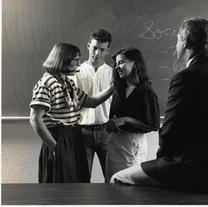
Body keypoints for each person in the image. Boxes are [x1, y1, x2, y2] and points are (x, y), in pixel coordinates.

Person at [110, 17, 208, 193]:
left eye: (177, 39)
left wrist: (160, 164)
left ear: (185, 41)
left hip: (198, 169)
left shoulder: (186, 77)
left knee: (117, 178)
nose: (176, 45)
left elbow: (169, 131)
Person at [30, 42, 114, 183]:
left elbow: (92, 102)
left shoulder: (67, 83)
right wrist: (56, 147)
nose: (78, 63)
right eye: (75, 60)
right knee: (62, 184)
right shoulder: (47, 82)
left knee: (76, 182)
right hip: (59, 137)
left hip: (73, 136)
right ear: (63, 60)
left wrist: (113, 88)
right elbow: (35, 119)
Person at [105, 47, 160, 182]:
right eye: (116, 64)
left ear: (135, 63)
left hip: (132, 144)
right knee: (111, 184)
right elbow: (114, 118)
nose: (117, 67)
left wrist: (126, 120)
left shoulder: (146, 92)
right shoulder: (119, 90)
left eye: (121, 62)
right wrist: (112, 124)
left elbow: (153, 125)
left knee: (127, 186)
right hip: (115, 143)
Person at [71, 29, 113, 182]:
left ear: (107, 50)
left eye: (102, 49)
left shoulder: (113, 73)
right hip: (82, 132)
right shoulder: (75, 72)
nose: (97, 52)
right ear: (88, 45)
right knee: (82, 179)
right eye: (94, 47)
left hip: (106, 131)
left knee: (112, 179)